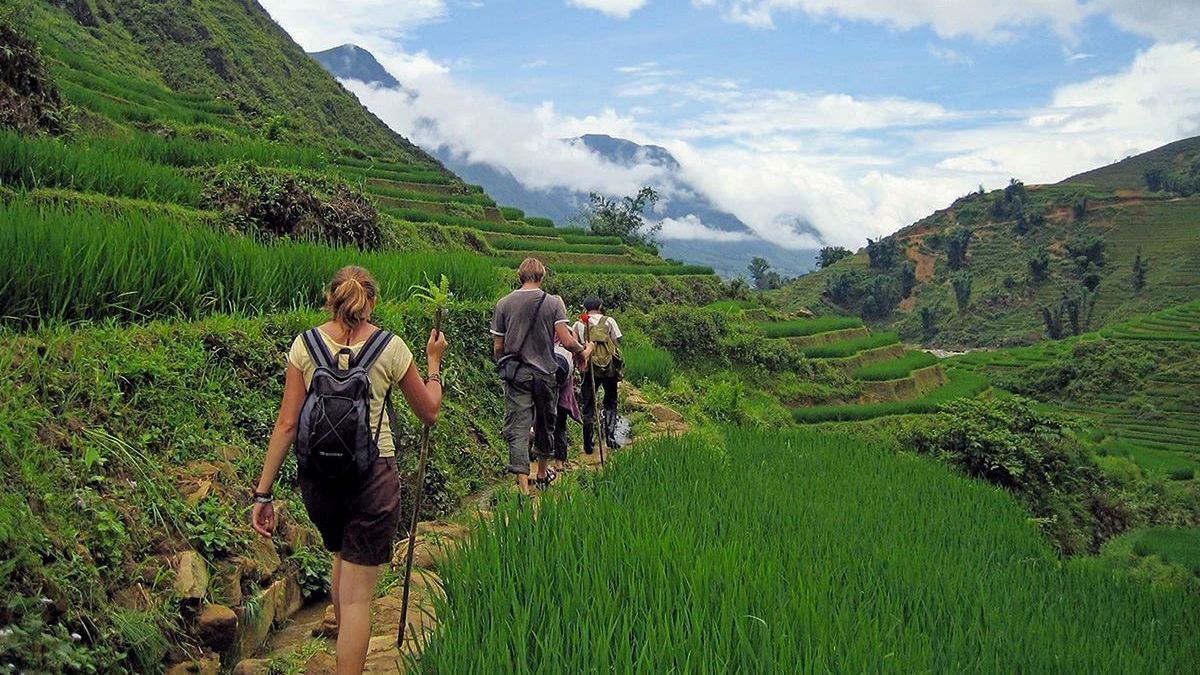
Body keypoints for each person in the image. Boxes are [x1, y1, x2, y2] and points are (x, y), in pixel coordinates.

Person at [250, 265, 447, 675]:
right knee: (359, 600)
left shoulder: (304, 345)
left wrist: (263, 493)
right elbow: (428, 411)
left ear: (331, 299)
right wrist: (433, 365)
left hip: (319, 481)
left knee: (341, 552)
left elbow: (287, 423)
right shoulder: (391, 348)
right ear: (371, 301)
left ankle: (338, 649)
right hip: (372, 477)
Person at [490, 258, 587, 495]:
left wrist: (506, 362)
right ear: (541, 277)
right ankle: (543, 473)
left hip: (518, 375)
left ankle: (523, 487)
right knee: (545, 422)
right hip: (545, 373)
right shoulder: (553, 303)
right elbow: (565, 340)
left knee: (519, 427)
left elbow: (498, 347)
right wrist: (582, 351)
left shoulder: (504, 303)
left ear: (519, 276)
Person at [572, 296, 623, 453]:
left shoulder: (579, 324)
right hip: (609, 369)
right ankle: (610, 438)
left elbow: (575, 348)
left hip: (589, 368)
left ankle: (588, 444)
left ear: (585, 308)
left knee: (588, 405)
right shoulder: (609, 321)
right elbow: (616, 344)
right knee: (611, 401)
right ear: (600, 306)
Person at [551, 335, 583, 473]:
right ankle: (559, 463)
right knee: (560, 426)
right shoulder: (570, 340)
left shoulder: (545, 336)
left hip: (542, 388)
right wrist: (588, 348)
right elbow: (582, 363)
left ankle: (538, 463)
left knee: (541, 422)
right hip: (563, 394)